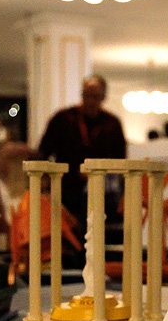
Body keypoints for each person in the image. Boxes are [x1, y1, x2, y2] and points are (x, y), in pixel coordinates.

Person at [38, 74, 127, 224]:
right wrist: (46, 186)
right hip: (67, 190)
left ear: (103, 97)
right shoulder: (63, 118)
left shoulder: (112, 124)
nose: (91, 101)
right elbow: (43, 152)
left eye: (95, 96)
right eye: (87, 95)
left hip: (102, 191)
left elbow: (120, 161)